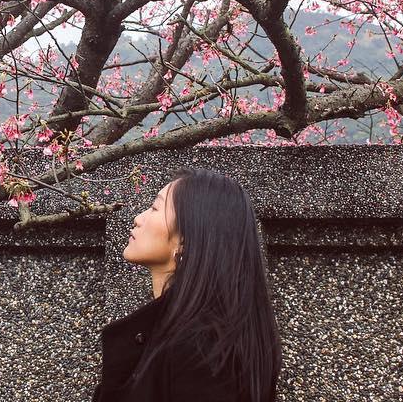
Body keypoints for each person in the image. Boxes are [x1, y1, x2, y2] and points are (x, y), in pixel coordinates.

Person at [92, 168, 281, 402]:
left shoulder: (199, 352)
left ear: (185, 239)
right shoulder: (178, 337)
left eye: (154, 208)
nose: (138, 219)